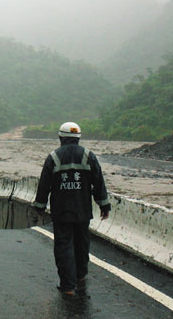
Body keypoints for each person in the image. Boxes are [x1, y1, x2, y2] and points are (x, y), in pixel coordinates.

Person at [33, 122, 111, 296]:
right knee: (82, 243)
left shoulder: (53, 157)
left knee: (64, 246)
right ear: (78, 138)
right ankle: (81, 276)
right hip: (83, 209)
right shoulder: (89, 156)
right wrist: (104, 206)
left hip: (61, 211)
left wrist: (39, 206)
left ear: (60, 137)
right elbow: (99, 183)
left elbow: (44, 185)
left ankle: (68, 286)